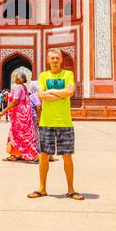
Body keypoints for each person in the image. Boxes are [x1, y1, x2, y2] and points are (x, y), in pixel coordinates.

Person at [28, 49, 84, 200]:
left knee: (67, 156)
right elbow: (41, 95)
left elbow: (70, 92)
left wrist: (50, 93)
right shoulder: (43, 76)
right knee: (44, 155)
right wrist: (60, 93)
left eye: (57, 58)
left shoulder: (68, 74)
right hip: (46, 122)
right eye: (52, 58)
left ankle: (71, 190)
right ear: (48, 60)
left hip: (64, 122)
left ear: (61, 60)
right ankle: (42, 188)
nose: (54, 60)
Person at [0, 72, 38, 163]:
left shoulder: (17, 87)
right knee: (22, 134)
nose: (15, 79)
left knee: (16, 134)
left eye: (16, 77)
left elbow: (15, 101)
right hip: (24, 113)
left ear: (18, 79)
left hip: (18, 114)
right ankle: (17, 154)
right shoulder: (24, 87)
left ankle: (30, 155)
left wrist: (4, 110)